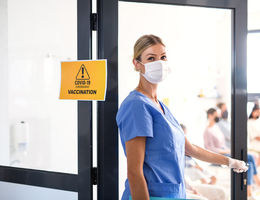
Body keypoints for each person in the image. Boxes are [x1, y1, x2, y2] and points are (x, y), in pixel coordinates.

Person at [116, 34, 248, 200]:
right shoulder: (136, 105)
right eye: (151, 58)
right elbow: (134, 171)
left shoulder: (161, 106)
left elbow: (190, 148)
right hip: (152, 195)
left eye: (163, 57)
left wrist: (229, 162)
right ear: (137, 64)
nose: (160, 63)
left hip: (175, 193)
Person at [204, 108, 260, 198]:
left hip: (225, 151)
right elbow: (210, 149)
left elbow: (223, 143)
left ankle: (249, 191)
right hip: (219, 155)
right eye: (216, 114)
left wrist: (229, 150)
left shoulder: (216, 127)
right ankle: (255, 184)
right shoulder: (207, 131)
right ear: (210, 116)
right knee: (249, 157)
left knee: (249, 161)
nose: (218, 116)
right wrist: (226, 151)